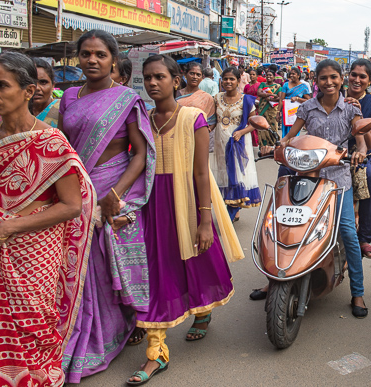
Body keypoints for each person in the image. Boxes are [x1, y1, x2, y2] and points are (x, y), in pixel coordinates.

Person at [126, 55, 243, 385]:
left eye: (160, 77)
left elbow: (200, 173)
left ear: (175, 81)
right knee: (156, 270)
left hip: (187, 198)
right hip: (151, 202)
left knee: (198, 261)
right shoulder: (142, 119)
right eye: (147, 77)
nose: (152, 83)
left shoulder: (193, 117)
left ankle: (203, 311)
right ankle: (157, 351)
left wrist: (205, 220)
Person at [58, 30, 156, 383]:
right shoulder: (69, 97)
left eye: (100, 54)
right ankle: (77, 332)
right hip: (75, 193)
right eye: (85, 54)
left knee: (100, 267)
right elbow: (62, 150)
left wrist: (115, 195)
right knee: (76, 268)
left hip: (112, 192)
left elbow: (140, 153)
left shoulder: (126, 99)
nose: (92, 60)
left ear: (113, 60)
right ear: (78, 57)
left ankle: (113, 329)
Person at [0, 51, 94, 387]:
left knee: (33, 329)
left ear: (27, 91)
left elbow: (71, 205)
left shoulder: (51, 142)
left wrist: (10, 226)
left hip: (33, 254)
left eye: (1, 86)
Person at [277, 59, 369, 318]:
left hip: (339, 180)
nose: (328, 82)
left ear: (341, 79)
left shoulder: (351, 108)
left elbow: (360, 143)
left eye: (333, 78)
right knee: (287, 225)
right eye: (323, 78)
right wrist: (279, 145)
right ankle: (275, 277)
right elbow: (290, 135)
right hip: (307, 176)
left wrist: (360, 153)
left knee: (349, 233)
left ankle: (358, 292)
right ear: (315, 81)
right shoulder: (307, 107)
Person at [211, 67, 261, 222]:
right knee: (223, 174)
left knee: (238, 175)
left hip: (239, 144)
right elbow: (213, 120)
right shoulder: (216, 98)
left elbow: (254, 123)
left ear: (239, 81)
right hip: (221, 143)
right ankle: (232, 205)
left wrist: (241, 132)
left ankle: (231, 212)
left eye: (232, 79)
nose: (228, 82)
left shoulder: (246, 100)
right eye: (225, 79)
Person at [347, 59, 371, 259]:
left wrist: (359, 114)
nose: (357, 79)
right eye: (354, 74)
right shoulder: (334, 95)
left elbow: (369, 144)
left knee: (370, 177)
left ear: (369, 81)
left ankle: (364, 238)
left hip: (357, 156)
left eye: (363, 76)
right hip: (328, 152)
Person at [176, 62, 217, 151]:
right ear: (185, 75)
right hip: (177, 137)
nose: (195, 77)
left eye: (198, 75)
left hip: (197, 141)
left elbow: (212, 121)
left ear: (202, 77)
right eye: (192, 73)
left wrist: (202, 133)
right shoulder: (176, 94)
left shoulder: (207, 98)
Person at [279, 67, 311, 137]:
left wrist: (297, 99)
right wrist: (278, 112)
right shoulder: (286, 85)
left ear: (298, 75)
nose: (291, 75)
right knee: (285, 132)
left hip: (296, 112)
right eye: (290, 74)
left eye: (294, 74)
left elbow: (308, 100)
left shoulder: (303, 86)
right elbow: (281, 99)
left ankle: (293, 146)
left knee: (295, 131)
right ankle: (285, 146)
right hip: (286, 112)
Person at [32, 58, 61, 127]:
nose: (37, 88)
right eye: (32, 82)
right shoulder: (14, 113)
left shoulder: (61, 110)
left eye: (43, 82)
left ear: (52, 86)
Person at [257, 68, 281, 146]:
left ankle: (274, 144)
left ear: (274, 77)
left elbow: (279, 97)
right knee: (262, 127)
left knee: (273, 126)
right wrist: (269, 94)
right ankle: (263, 146)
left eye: (270, 75)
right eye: (267, 75)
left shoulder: (278, 86)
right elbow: (259, 93)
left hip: (272, 109)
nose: (268, 77)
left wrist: (270, 99)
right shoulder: (263, 84)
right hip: (263, 108)